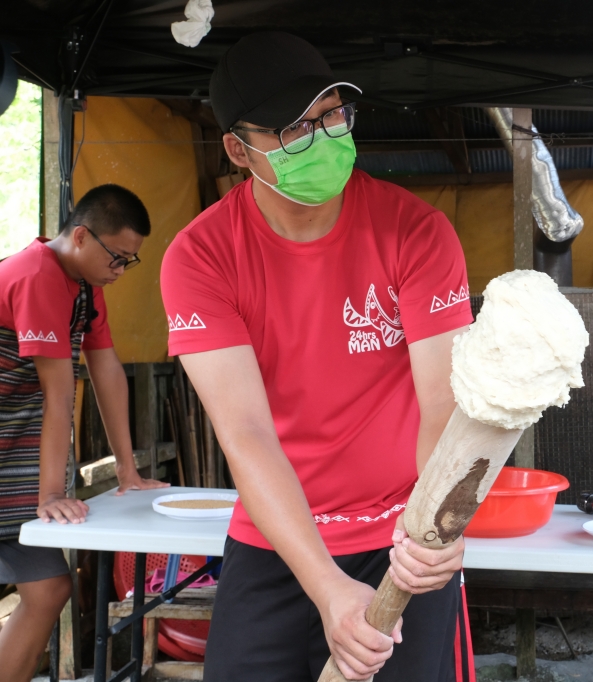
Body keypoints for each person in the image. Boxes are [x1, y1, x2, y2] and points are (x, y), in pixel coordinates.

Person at [160, 33, 474, 681]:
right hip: (275, 539)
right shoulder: (200, 257)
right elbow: (245, 434)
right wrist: (326, 588)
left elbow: (441, 405)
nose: (323, 137)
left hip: (400, 537)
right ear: (238, 151)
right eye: (293, 128)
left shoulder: (415, 231)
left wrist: (436, 529)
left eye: (331, 114)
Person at [0, 184, 167, 682]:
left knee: (50, 588)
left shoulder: (85, 288)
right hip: (19, 436)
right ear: (80, 237)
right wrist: (50, 493)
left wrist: (128, 469)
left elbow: (106, 369)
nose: (120, 270)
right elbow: (59, 394)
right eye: (117, 257)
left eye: (129, 262)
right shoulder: (35, 276)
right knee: (47, 586)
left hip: (16, 438)